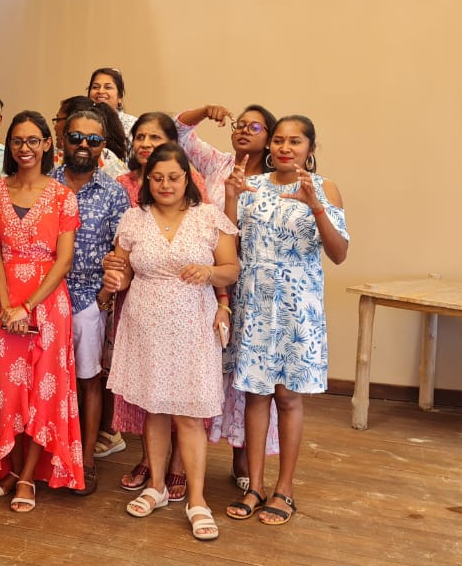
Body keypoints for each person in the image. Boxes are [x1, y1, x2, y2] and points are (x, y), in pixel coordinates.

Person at [102, 142, 239, 541]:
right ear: (147, 181)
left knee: (190, 414)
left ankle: (197, 500)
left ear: (187, 179)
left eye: (173, 177)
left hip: (192, 324)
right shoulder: (133, 219)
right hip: (145, 323)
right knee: (155, 408)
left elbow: (231, 268)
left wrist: (209, 273)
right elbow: (124, 272)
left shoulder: (208, 217)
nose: (165, 185)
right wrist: (115, 279)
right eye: (157, 178)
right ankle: (157, 486)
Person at [223, 115, 348, 526]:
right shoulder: (251, 185)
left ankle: (285, 489)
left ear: (310, 148)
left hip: (298, 307)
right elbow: (229, 244)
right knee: (256, 396)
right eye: (278, 140)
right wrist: (230, 197)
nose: (284, 148)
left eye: (295, 141)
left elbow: (339, 253)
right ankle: (256, 486)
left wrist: (316, 206)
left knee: (288, 397)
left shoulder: (324, 187)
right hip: (255, 305)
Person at [0, 110, 84, 512]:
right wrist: (6, 306)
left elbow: (63, 261)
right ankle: (8, 467)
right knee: (3, 390)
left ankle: (28, 477)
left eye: (33, 140)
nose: (25, 148)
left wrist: (27, 307)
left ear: (47, 144)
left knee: (42, 391)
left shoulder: (63, 196)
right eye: (18, 140)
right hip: (1, 302)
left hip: (47, 303)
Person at [174, 103, 281, 492]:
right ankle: (184, 457)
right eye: (240, 124)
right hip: (212, 280)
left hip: (256, 284)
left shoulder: (276, 179)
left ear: (269, 137)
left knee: (246, 372)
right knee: (208, 365)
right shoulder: (217, 164)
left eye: (255, 127)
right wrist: (205, 110)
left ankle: (243, 454)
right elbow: (178, 133)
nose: (244, 130)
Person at [49, 109, 129, 496]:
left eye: (93, 140)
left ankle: (86, 460)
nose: (83, 145)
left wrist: (103, 297)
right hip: (44, 297)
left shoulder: (114, 193)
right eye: (76, 137)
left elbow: (122, 249)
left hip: (86, 300)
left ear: (103, 146)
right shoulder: (43, 183)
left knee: (88, 382)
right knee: (45, 380)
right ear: (62, 139)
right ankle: (47, 457)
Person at [53, 96, 129, 179]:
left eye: (58, 119)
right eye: (76, 137)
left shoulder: (107, 160)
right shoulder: (53, 160)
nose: (83, 144)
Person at [87, 67, 136, 138]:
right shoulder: (81, 120)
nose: (100, 91)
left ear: (120, 97)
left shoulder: (133, 125)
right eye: (95, 87)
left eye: (108, 87)